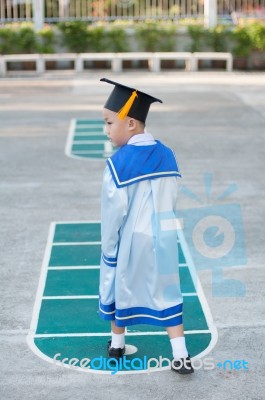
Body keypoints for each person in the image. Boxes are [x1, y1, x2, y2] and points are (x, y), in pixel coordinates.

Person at [98, 77, 194, 375]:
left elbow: (113, 213)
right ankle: (180, 354)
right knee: (167, 289)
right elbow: (173, 195)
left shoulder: (119, 163)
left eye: (110, 122)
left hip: (131, 239)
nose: (107, 130)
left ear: (130, 124)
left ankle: (117, 344)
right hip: (163, 234)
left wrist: (109, 250)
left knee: (120, 286)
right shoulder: (167, 154)